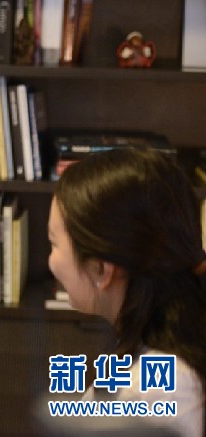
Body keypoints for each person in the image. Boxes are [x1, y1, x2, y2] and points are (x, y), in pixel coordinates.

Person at [47, 147, 206, 436]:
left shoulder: (156, 391)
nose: (51, 262)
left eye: (54, 244)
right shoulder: (152, 345)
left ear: (101, 270)